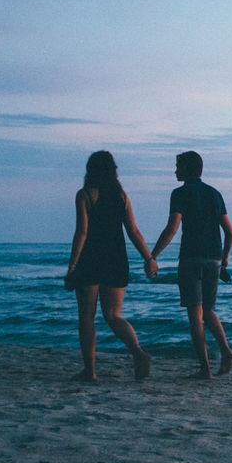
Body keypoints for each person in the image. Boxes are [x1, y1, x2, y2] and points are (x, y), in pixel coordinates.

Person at [64, 151, 158, 382]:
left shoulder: (85, 195)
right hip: (116, 260)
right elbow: (133, 231)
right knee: (113, 315)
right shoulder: (122, 196)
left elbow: (82, 232)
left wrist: (72, 266)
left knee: (86, 316)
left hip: (90, 260)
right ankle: (138, 352)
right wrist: (149, 258)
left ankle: (90, 371)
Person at [151, 151, 232, 379]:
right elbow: (229, 232)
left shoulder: (179, 193)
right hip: (214, 260)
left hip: (191, 259)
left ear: (187, 169)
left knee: (195, 317)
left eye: (178, 166)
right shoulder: (215, 194)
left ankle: (205, 369)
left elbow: (172, 228)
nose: (175, 170)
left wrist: (153, 255)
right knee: (208, 311)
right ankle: (226, 352)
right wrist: (225, 257)